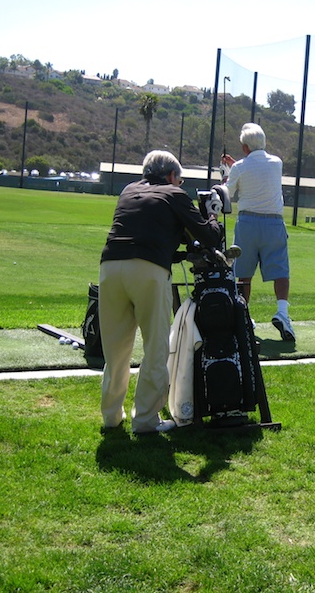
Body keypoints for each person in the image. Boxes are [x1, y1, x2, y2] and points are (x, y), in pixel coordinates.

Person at [99, 150, 222, 434]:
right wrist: (212, 212)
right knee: (155, 346)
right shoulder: (174, 194)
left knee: (116, 350)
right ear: (170, 176)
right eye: (179, 180)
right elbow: (210, 236)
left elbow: (155, 227)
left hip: (110, 266)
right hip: (148, 271)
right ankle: (144, 420)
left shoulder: (129, 190)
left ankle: (111, 417)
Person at [221, 122, 295, 342]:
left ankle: (244, 316)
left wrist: (227, 174)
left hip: (248, 223)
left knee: (243, 274)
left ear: (244, 147)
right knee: (281, 270)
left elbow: (228, 192)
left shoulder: (239, 168)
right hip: (274, 223)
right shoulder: (276, 163)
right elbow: (257, 170)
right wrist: (237, 167)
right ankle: (282, 313)